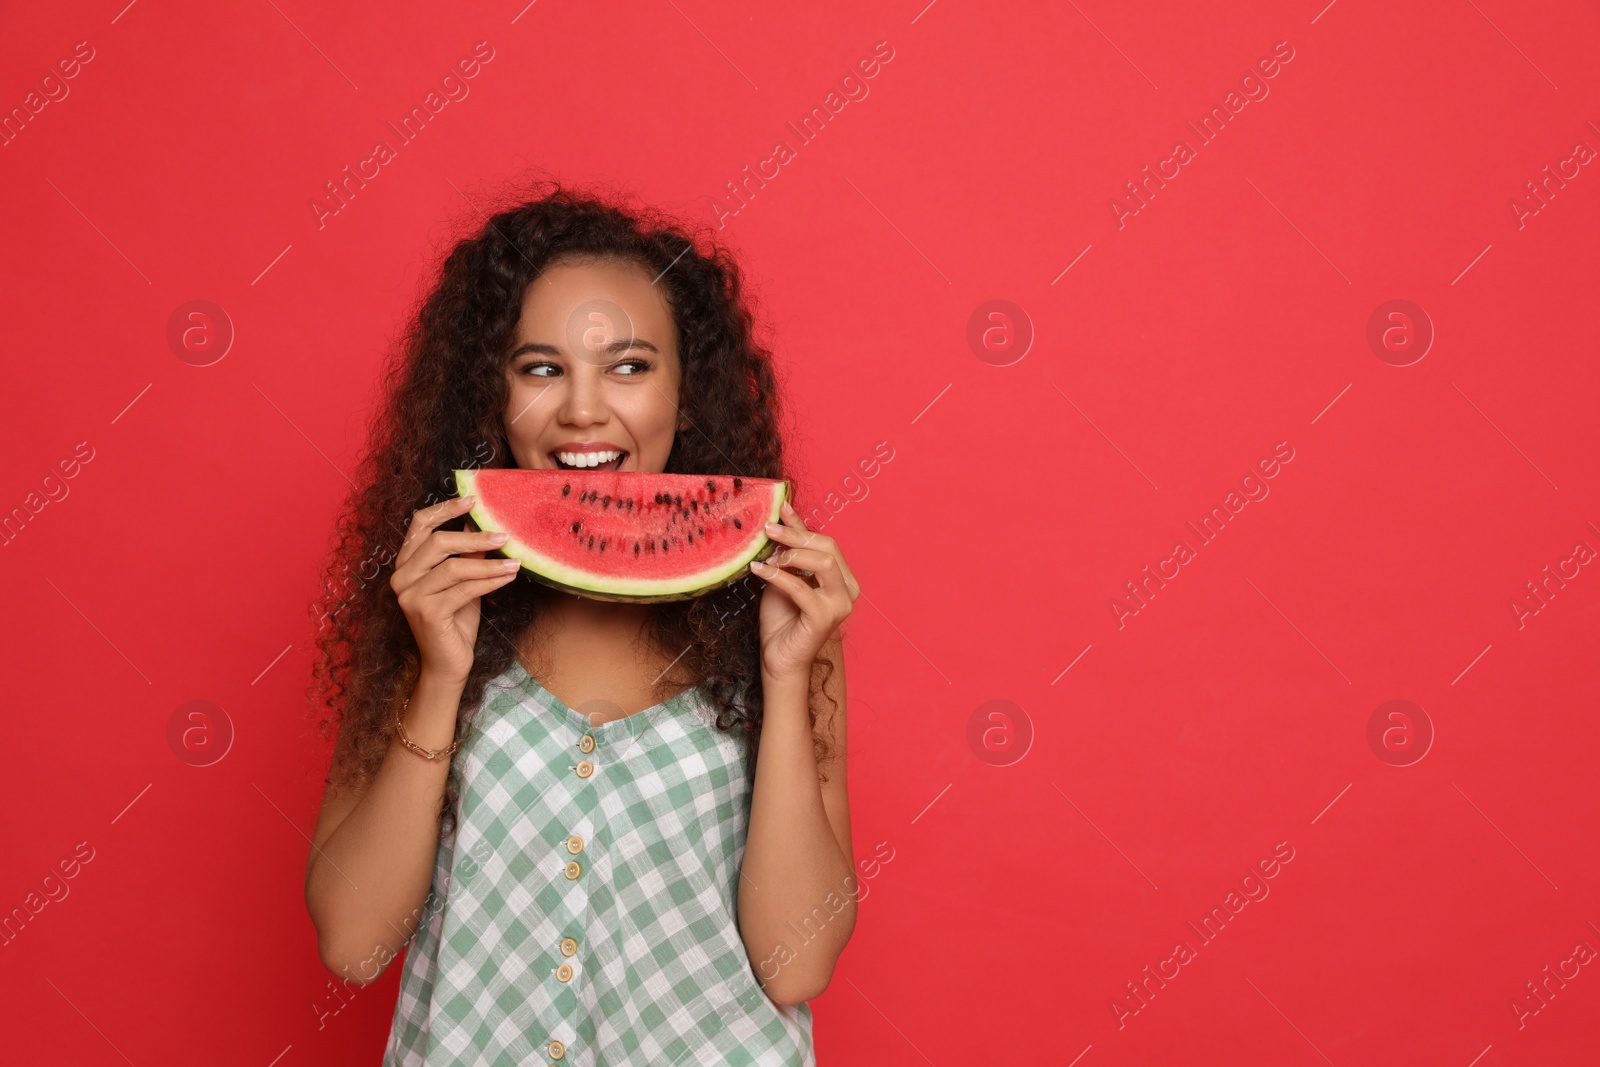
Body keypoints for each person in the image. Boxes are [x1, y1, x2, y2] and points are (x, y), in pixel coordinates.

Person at [302, 183, 861, 1066]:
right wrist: (440, 675)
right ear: (492, 393)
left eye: (631, 366)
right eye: (541, 367)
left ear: (688, 394)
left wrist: (790, 675)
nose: (583, 410)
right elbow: (354, 944)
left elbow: (797, 964)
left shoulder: (777, 620)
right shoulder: (435, 606)